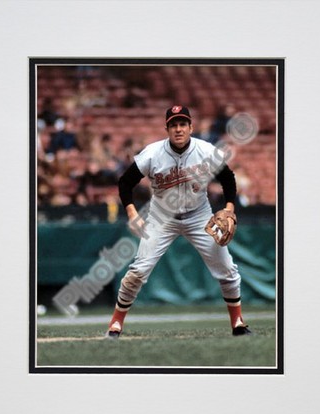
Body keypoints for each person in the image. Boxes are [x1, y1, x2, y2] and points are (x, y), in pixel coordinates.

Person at [105, 106, 251, 338]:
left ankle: (238, 323)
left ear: (191, 127)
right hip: (161, 218)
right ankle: (115, 324)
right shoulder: (152, 153)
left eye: (183, 124)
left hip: (200, 216)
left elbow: (227, 177)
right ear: (167, 129)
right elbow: (125, 182)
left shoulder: (205, 150)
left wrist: (229, 207)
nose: (178, 129)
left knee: (227, 269)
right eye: (173, 125)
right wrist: (132, 213)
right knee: (138, 271)